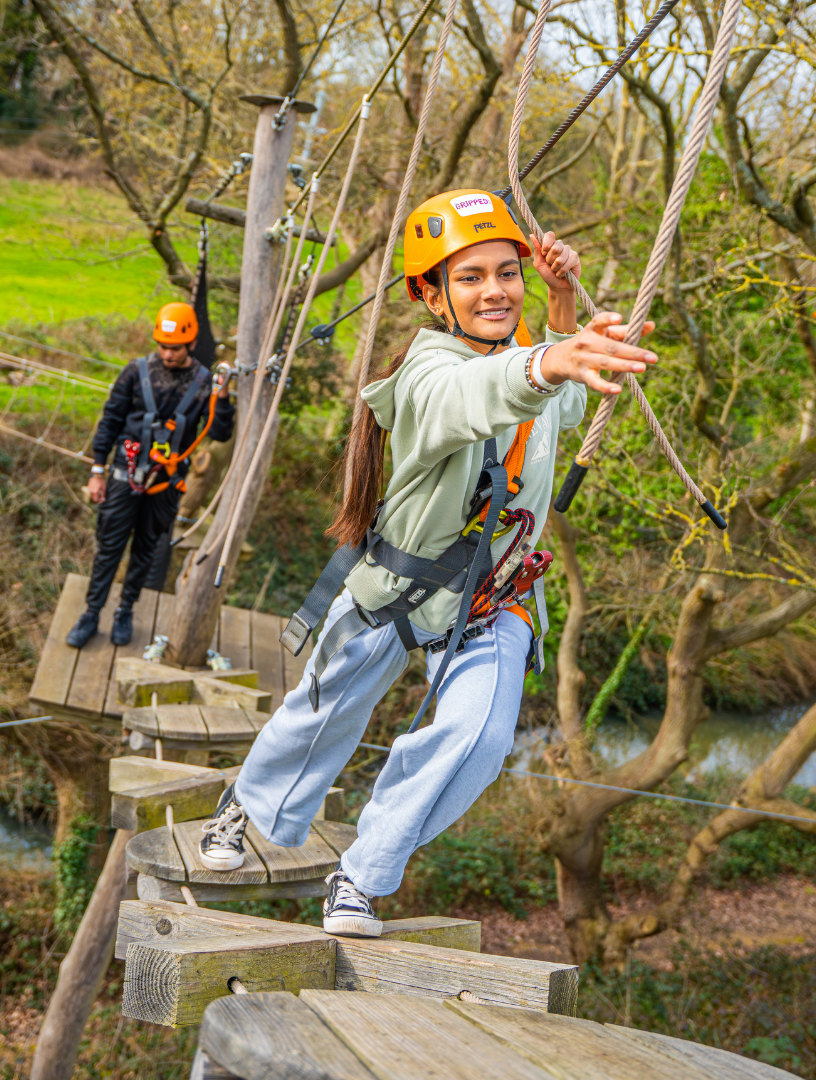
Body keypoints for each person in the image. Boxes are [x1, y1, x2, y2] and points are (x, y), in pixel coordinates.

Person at [195, 189, 657, 936]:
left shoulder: (521, 358)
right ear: (431, 295)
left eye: (507, 273)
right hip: (400, 585)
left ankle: (362, 873)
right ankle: (248, 808)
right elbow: (478, 395)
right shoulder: (428, 369)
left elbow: (558, 407)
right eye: (470, 277)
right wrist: (548, 359)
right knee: (321, 713)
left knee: (479, 738)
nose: (495, 290)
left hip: (495, 598)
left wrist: (564, 306)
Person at [66, 301, 235, 649]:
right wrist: (97, 470)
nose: (168, 354)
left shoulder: (204, 383)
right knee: (109, 546)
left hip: (165, 483)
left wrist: (223, 394)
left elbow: (218, 433)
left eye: (174, 348)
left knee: (146, 547)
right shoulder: (135, 372)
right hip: (124, 475)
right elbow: (110, 420)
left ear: (189, 344)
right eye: (163, 346)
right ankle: (91, 612)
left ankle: (125, 610)